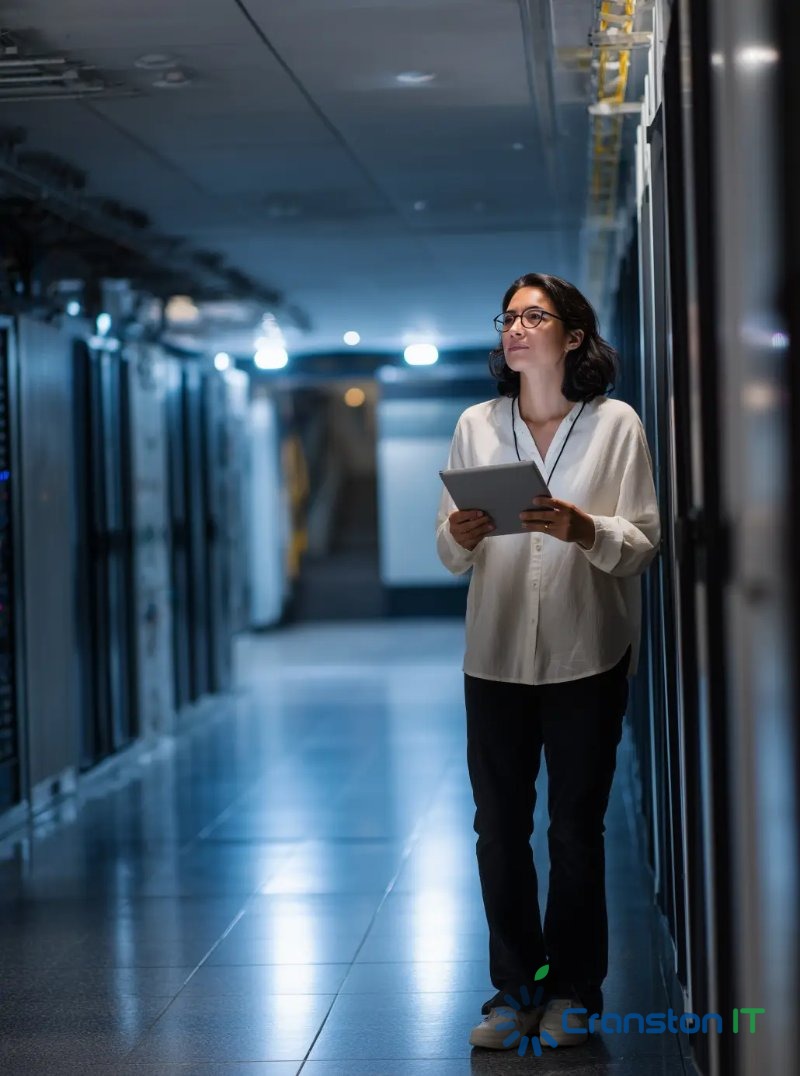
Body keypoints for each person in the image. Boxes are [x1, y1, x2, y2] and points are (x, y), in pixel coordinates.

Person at [434, 273, 660, 1051]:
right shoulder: (477, 425)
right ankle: (513, 988)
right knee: (497, 831)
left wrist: (582, 528)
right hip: (493, 657)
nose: (517, 328)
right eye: (509, 317)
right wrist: (461, 535)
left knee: (574, 833)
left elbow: (642, 543)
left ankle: (572, 991)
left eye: (535, 316)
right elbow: (446, 547)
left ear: (571, 336)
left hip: (585, 656)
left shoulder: (615, 425)